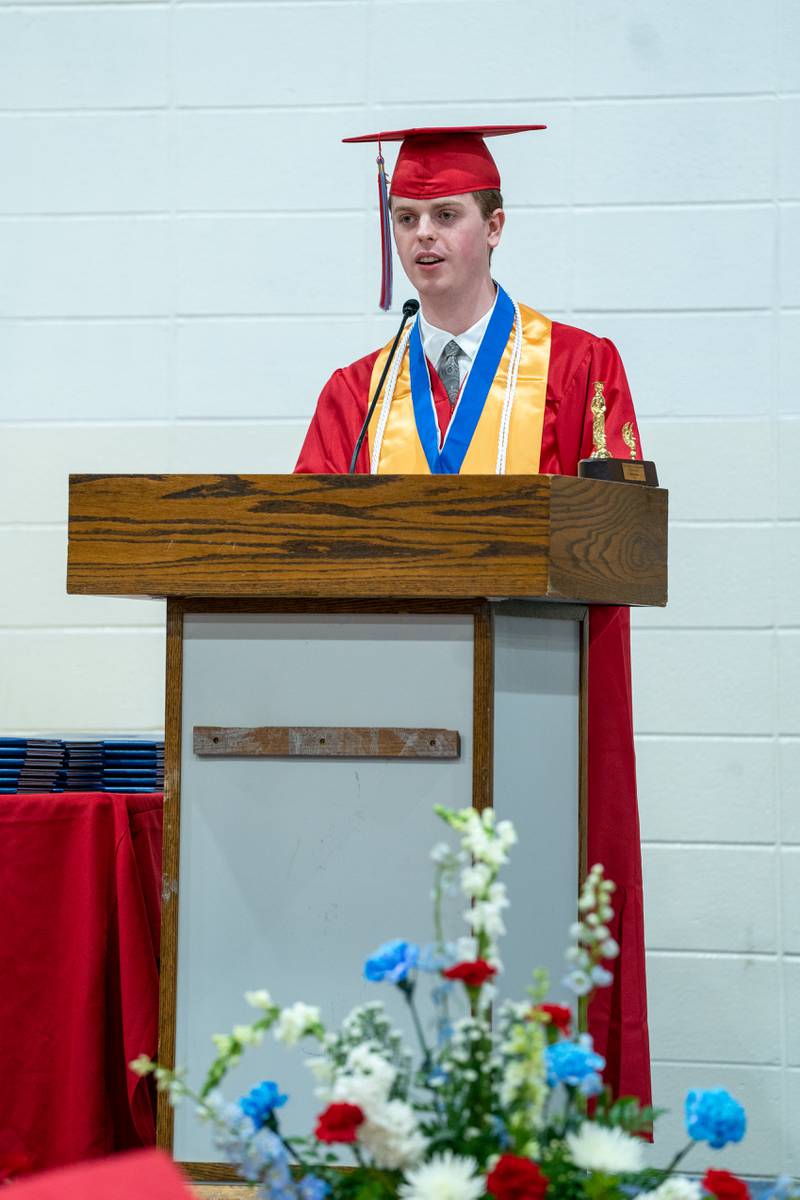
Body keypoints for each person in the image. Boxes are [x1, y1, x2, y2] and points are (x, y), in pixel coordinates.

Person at [295, 126, 651, 1106]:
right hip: (396, 721)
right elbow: (302, 548)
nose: (422, 235)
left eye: (444, 215)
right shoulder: (353, 396)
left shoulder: (579, 368)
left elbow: (615, 541)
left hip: (536, 712)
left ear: (494, 227)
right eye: (405, 217)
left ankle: (551, 1122)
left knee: (531, 933)